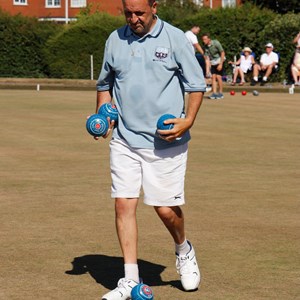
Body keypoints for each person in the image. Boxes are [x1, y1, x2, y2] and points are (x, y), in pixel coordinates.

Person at [95, 0, 206, 299]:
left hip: (165, 140)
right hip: (125, 139)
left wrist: (188, 120)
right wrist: (103, 118)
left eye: (139, 13)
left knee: (165, 209)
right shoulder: (115, 40)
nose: (133, 19)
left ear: (154, 7)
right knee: (123, 204)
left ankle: (183, 249)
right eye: (128, 13)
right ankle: (130, 280)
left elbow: (196, 85)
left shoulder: (175, 39)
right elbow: (104, 85)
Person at [202, 33, 225, 99]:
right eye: (203, 39)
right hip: (213, 62)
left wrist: (221, 64)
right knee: (213, 77)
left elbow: (222, 52)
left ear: (209, 39)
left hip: (219, 60)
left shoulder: (216, 43)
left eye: (205, 39)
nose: (204, 41)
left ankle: (220, 93)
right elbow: (207, 59)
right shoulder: (205, 47)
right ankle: (214, 93)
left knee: (218, 77)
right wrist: (207, 70)